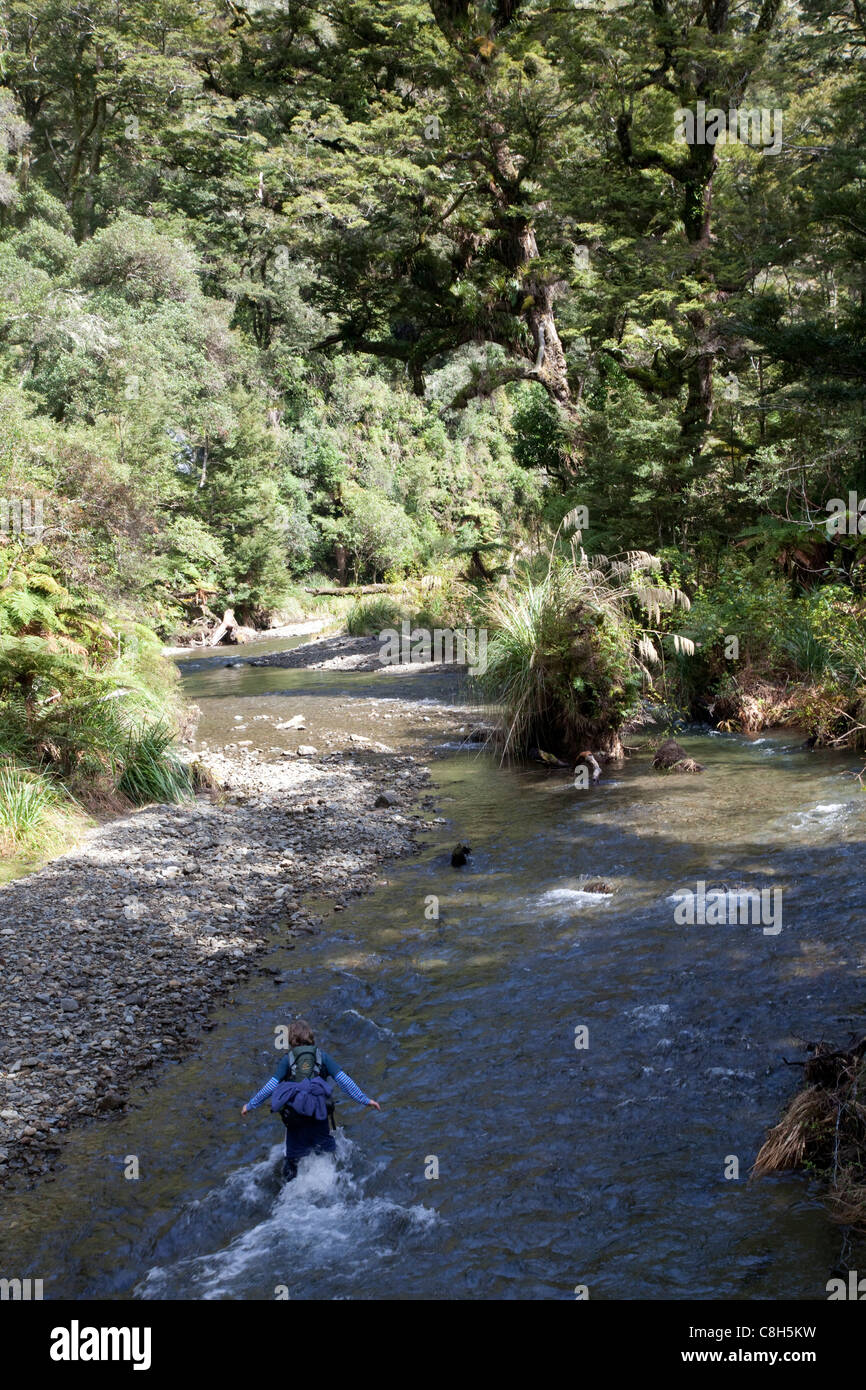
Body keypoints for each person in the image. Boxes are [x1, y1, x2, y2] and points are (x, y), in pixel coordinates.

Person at [241, 1018, 381, 1181]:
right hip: (319, 1116)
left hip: (295, 1120)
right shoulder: (323, 1057)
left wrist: (250, 1105)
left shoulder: (287, 1060)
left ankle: (290, 1194)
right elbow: (344, 1081)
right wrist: (365, 1100)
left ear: (291, 1040)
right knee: (326, 1156)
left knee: (291, 1163)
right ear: (311, 1037)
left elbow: (270, 1086)